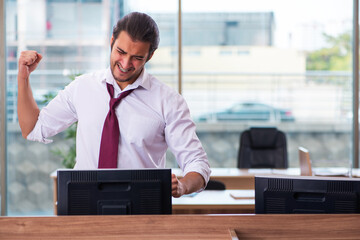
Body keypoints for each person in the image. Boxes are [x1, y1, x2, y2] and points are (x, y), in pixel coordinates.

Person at [17, 12, 211, 198]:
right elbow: (33, 127)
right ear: (111, 42)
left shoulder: (168, 101)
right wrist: (23, 77)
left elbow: (197, 163)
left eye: (137, 58)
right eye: (121, 52)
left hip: (143, 209)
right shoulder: (82, 88)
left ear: (150, 56)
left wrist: (183, 185)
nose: (126, 64)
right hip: (85, 205)